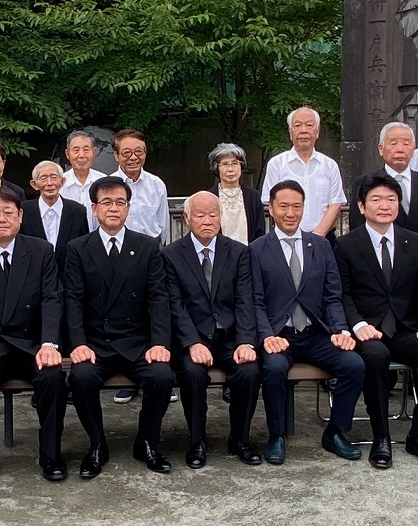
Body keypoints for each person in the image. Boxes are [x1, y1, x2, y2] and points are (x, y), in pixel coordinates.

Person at [334, 174, 418, 471]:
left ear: (399, 204)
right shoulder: (347, 245)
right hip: (368, 328)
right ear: (361, 206)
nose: (384, 205)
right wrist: (358, 325)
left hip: (405, 328)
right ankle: (381, 435)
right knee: (375, 356)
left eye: (391, 199)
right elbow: (342, 294)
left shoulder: (416, 242)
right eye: (375, 199)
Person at [0, 186, 68, 486]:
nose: (1, 218)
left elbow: (51, 299)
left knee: (54, 376)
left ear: (21, 216)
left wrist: (49, 343)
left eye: (8, 212)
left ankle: (51, 453)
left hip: (33, 344)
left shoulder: (41, 250)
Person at [64, 176, 174, 478]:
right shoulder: (78, 248)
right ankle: (97, 444)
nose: (114, 208)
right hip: (96, 342)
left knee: (162, 376)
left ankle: (147, 441)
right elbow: (72, 299)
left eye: (120, 202)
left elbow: (158, 298)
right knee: (82, 378)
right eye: (107, 202)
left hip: (137, 340)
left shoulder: (147, 246)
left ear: (128, 208)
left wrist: (159, 342)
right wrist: (78, 343)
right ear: (94, 208)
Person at [249, 179, 365, 466]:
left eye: (297, 206)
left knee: (354, 364)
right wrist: (266, 336)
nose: (290, 213)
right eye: (283, 206)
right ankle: (276, 434)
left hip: (315, 333)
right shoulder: (257, 249)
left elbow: (332, 296)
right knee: (274, 368)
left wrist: (340, 330)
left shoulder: (321, 246)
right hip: (279, 334)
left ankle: (336, 431)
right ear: (271, 209)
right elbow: (255, 301)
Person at [163, 192, 261, 467]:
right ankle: (197, 441)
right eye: (200, 215)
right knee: (192, 374)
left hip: (229, 338)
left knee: (249, 370)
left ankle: (240, 439)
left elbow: (245, 300)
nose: (207, 221)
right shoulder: (170, 255)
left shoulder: (239, 252)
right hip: (192, 339)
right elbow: (175, 306)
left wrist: (246, 342)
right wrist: (192, 342)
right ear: (186, 218)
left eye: (213, 215)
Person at [109, 128, 169, 405]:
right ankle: (129, 381)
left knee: (150, 312)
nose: (133, 157)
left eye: (139, 152)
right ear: (116, 154)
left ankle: (155, 376)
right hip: (116, 257)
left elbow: (163, 225)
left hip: (149, 255)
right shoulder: (108, 185)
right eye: (127, 152)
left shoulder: (157, 184)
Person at [347, 121, 418, 237]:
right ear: (381, 149)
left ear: (413, 149)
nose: (400, 149)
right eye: (393, 143)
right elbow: (357, 228)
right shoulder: (364, 182)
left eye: (406, 144)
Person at [260, 106, 346, 238]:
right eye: (298, 125)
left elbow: (335, 204)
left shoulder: (330, 165)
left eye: (309, 125)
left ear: (317, 132)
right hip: (285, 237)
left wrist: (317, 236)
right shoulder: (276, 164)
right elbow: (270, 203)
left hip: (324, 238)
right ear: (290, 132)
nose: (304, 130)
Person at [19, 160, 89, 274]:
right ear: (34, 184)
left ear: (62, 181)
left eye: (54, 177)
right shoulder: (24, 210)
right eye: (43, 178)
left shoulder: (78, 211)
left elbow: (83, 247)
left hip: (68, 277)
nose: (49, 183)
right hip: (33, 277)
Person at [207, 142, 266, 244]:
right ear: (217, 168)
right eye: (225, 164)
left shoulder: (253, 196)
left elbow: (260, 231)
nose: (230, 169)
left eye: (235, 163)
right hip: (219, 255)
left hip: (248, 254)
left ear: (241, 166)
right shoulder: (209, 197)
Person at [60, 129, 108, 226]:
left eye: (86, 150)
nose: (81, 156)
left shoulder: (104, 182)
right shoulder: (59, 183)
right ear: (67, 154)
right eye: (76, 150)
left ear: (94, 153)